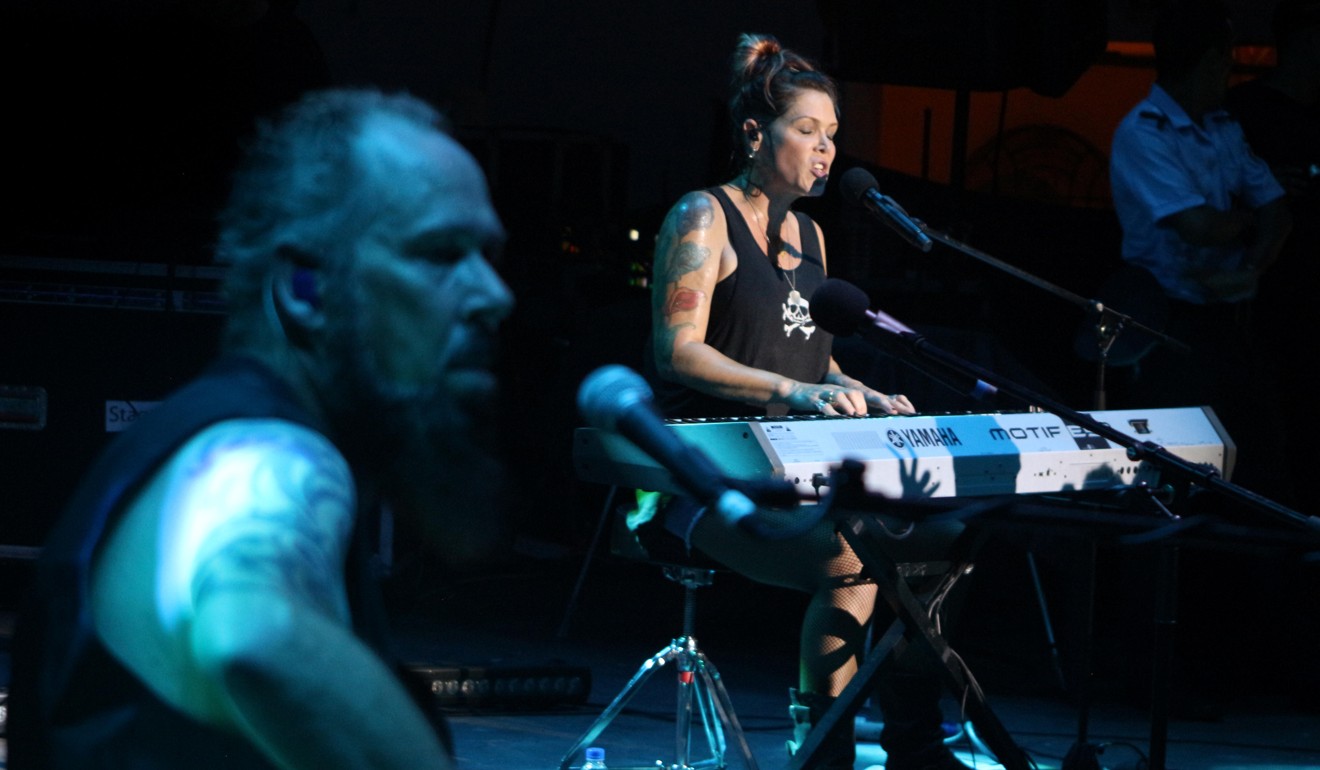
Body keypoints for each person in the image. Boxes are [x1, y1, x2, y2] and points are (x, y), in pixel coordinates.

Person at [7, 87, 515, 769]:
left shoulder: (217, 437)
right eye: (441, 253)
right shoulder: (260, 451)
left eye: (490, 255)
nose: (494, 295)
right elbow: (254, 631)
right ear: (306, 289)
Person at [637, 32, 967, 770]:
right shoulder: (703, 217)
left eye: (834, 137)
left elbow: (811, 357)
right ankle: (823, 750)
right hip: (697, 469)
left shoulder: (812, 236)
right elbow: (678, 351)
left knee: (937, 548)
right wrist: (797, 391)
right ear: (756, 133)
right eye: (808, 132)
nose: (827, 152)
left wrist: (864, 393)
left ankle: (912, 743)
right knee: (854, 560)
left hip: (796, 465)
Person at [1106, 0, 1293, 713]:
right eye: (1224, 59)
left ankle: (1238, 664)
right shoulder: (1144, 131)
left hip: (1224, 321)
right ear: (1201, 61)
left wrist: (1253, 264)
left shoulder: (1223, 126)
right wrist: (1242, 232)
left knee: (1253, 480)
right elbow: (1198, 224)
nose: (1232, 72)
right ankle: (1153, 675)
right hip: (1162, 321)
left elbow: (1278, 208)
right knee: (1164, 489)